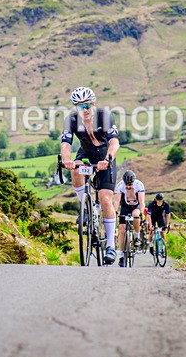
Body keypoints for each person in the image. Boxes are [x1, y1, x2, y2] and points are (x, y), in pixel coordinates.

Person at [60, 86, 120, 265]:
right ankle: (85, 208)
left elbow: (114, 143)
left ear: (93, 103)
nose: (84, 110)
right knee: (76, 169)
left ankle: (110, 245)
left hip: (104, 157)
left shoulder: (104, 116)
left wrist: (108, 159)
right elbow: (65, 145)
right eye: (79, 107)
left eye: (87, 105)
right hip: (85, 154)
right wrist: (67, 160)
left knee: (105, 198)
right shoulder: (70, 120)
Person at [113, 169, 145, 267]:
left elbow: (142, 201)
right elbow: (117, 202)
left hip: (136, 206)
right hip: (125, 207)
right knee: (122, 230)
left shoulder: (139, 185)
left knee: (136, 215)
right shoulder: (119, 186)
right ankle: (122, 256)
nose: (128, 186)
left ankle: (136, 236)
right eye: (126, 184)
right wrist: (115, 213)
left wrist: (142, 213)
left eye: (130, 184)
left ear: (133, 182)